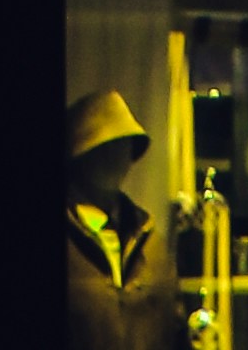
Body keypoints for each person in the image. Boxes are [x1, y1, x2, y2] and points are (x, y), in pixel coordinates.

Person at [66, 89, 185, 350]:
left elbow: (176, 334)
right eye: (104, 145)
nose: (117, 154)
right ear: (80, 154)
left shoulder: (153, 247)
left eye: (124, 143)